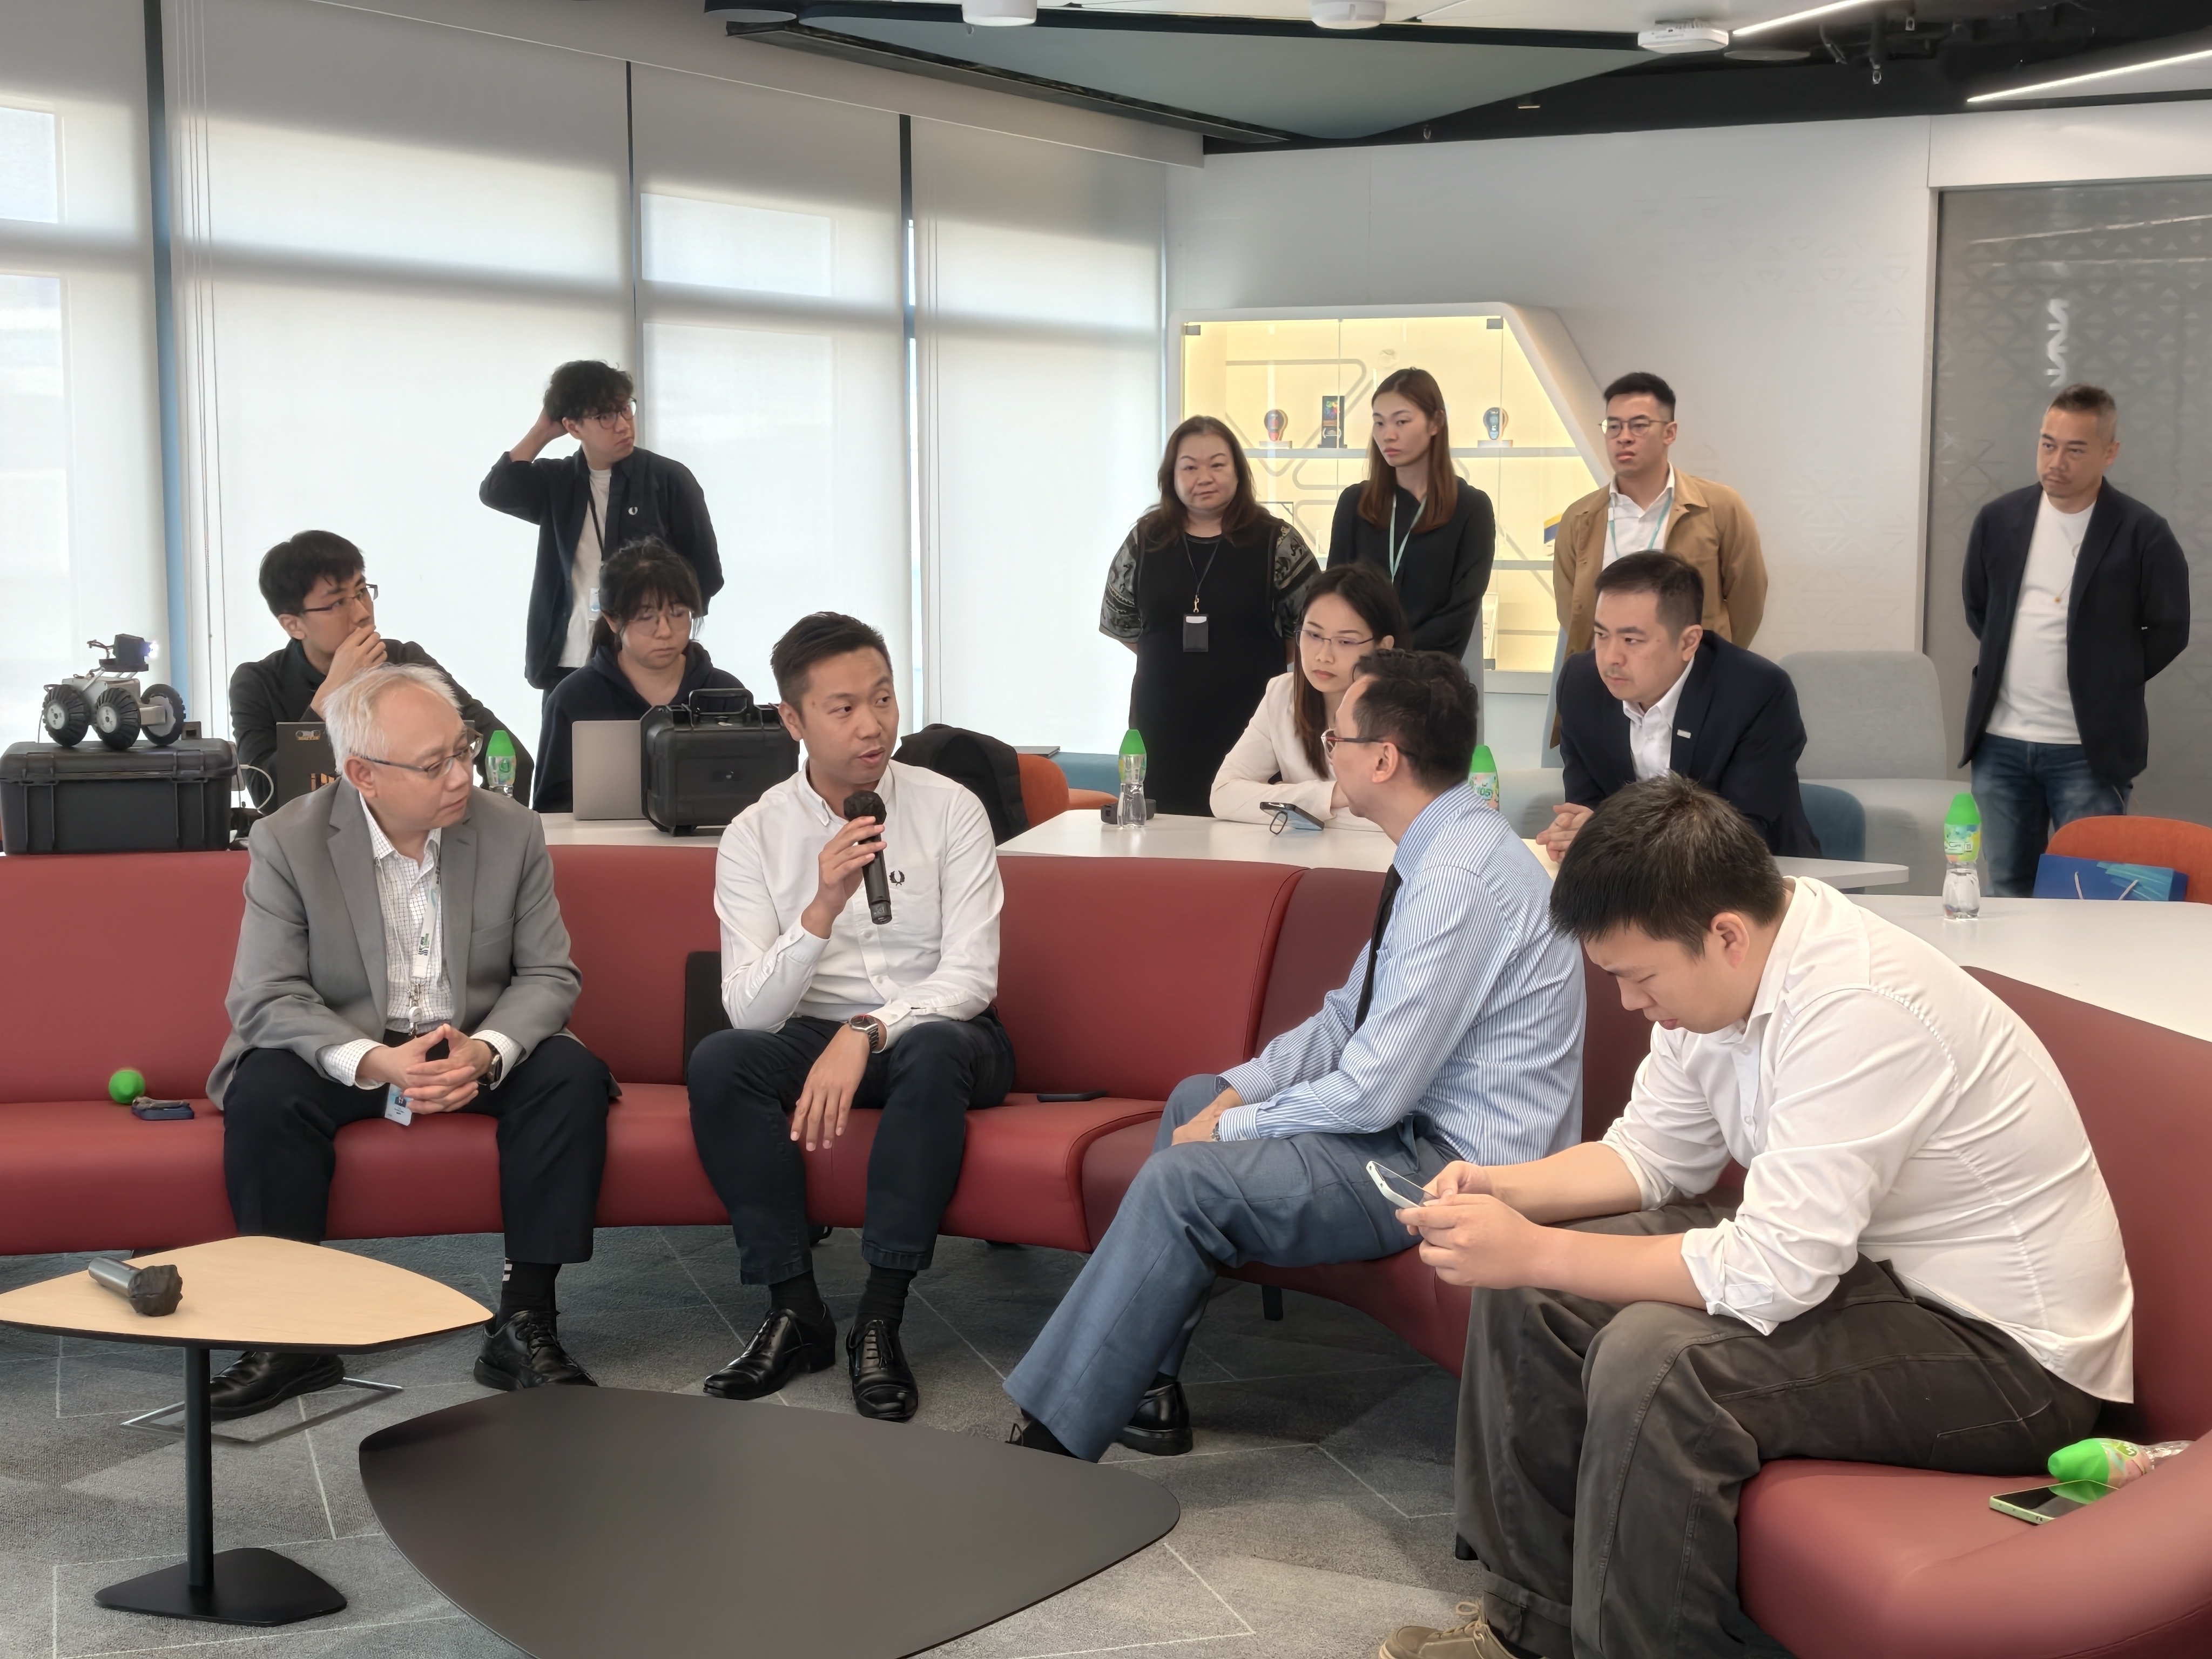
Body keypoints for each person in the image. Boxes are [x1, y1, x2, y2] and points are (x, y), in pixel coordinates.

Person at [1378, 775, 2132, 1659]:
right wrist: (1505, 1191)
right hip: (1871, 1280)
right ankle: (1529, 1631)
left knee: (1658, 1363)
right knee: (1527, 1298)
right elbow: (1652, 1155)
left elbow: (1773, 1273)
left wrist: (1535, 1250)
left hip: (2010, 1356)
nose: (1628, 1003)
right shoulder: (1717, 979)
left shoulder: (1858, 1003)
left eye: (1637, 976)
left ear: (1725, 936)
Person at [1003, 650, 1583, 1463]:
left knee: (1183, 1178)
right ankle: (1147, 1387)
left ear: (1384, 760)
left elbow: (1374, 1094)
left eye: (1339, 738)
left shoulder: (1459, 876)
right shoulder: (1442, 846)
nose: (1327, 751)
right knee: (1195, 1097)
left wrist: (1231, 1133)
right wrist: (1235, 1096)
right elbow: (1348, 1014)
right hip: (1409, 1133)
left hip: (1450, 1166)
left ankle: (1049, 1446)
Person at [207, 665, 616, 1420]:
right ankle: (288, 1337)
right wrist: (374, 1062)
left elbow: (548, 974)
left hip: (469, 1038)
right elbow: (266, 995)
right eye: (436, 765)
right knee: (264, 1089)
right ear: (362, 774)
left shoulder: (511, 829)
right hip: (352, 1045)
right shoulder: (288, 841)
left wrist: (487, 1051)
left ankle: (525, 1319)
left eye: (463, 750)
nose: (462, 776)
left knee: (571, 1074)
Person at [687, 612, 1014, 1422]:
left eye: (883, 698)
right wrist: (822, 907)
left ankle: (880, 1317)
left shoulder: (951, 809)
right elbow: (749, 1009)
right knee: (720, 1061)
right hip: (811, 1031)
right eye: (843, 708)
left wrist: (868, 1031)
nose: (872, 725)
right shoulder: (755, 834)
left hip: (941, 1032)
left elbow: (971, 976)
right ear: (792, 719)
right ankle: (794, 1309)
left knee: (933, 1050)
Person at [1961, 383, 2191, 896]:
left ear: (2110, 453)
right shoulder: (1999, 520)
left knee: (2089, 896)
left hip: (2088, 751)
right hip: (2001, 744)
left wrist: (2110, 678)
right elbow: (1980, 609)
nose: (2056, 462)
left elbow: (2171, 628)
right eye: (2048, 444)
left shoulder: (2142, 531)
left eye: (2075, 449)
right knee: (2007, 890)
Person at [1101, 416, 1319, 815]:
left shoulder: (1278, 542)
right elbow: (1122, 623)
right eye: (1190, 467)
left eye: (1217, 464)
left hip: (1253, 726)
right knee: (1165, 836)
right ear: (1171, 476)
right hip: (1163, 723)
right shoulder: (1144, 541)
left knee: (1252, 829)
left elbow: (1308, 632)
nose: (1204, 477)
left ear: (1238, 471)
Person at [1537, 552, 1817, 859]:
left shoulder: (1757, 692)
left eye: (1631, 640)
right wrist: (1575, 829)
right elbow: (1586, 803)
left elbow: (1738, 834)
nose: (1610, 658)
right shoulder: (1581, 684)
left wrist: (1608, 837)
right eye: (1602, 635)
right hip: (1621, 876)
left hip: (1759, 873)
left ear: (1688, 642)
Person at [480, 359, 723, 706]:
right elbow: (497, 491)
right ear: (572, 426)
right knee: (569, 742)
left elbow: (705, 576)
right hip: (569, 661)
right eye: (605, 416)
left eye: (625, 410)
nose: (622, 425)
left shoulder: (668, 480)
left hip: (645, 666)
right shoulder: (559, 482)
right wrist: (543, 430)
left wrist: (662, 631)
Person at [228, 531, 531, 808]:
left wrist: (474, 828)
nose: (363, 613)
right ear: (293, 624)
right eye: (338, 603)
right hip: (313, 848)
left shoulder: (403, 660)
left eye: (362, 592)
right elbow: (268, 798)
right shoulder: (258, 683)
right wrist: (329, 695)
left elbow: (510, 756)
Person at [1551, 372, 1766, 662]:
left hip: (1692, 676)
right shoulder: (1580, 517)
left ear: (1670, 433)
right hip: (1607, 675)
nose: (1623, 437)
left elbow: (1748, 600)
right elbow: (1571, 611)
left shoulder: (1720, 506)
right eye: (1613, 426)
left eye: (1639, 426)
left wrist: (1712, 665)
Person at [530, 538, 750, 814]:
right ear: (612, 620)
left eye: (678, 614)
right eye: (646, 617)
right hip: (604, 840)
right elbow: (550, 810)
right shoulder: (573, 699)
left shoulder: (724, 693)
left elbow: (752, 798)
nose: (665, 631)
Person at [1210, 563, 1406, 831]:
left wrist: (1288, 797)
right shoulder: (1283, 695)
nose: (1324, 656)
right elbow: (1223, 796)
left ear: (1384, 648)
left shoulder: (1411, 710)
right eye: (1314, 635)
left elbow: (1408, 816)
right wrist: (1335, 795)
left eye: (1345, 641)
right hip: (1303, 855)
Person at [1326, 368, 1495, 660]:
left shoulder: (1471, 508)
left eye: (1402, 422)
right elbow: (1335, 594)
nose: (1388, 435)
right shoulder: (1355, 503)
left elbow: (1459, 614)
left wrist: (1389, 659)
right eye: (1379, 423)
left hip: (1429, 674)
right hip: (1355, 669)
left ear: (1436, 422)